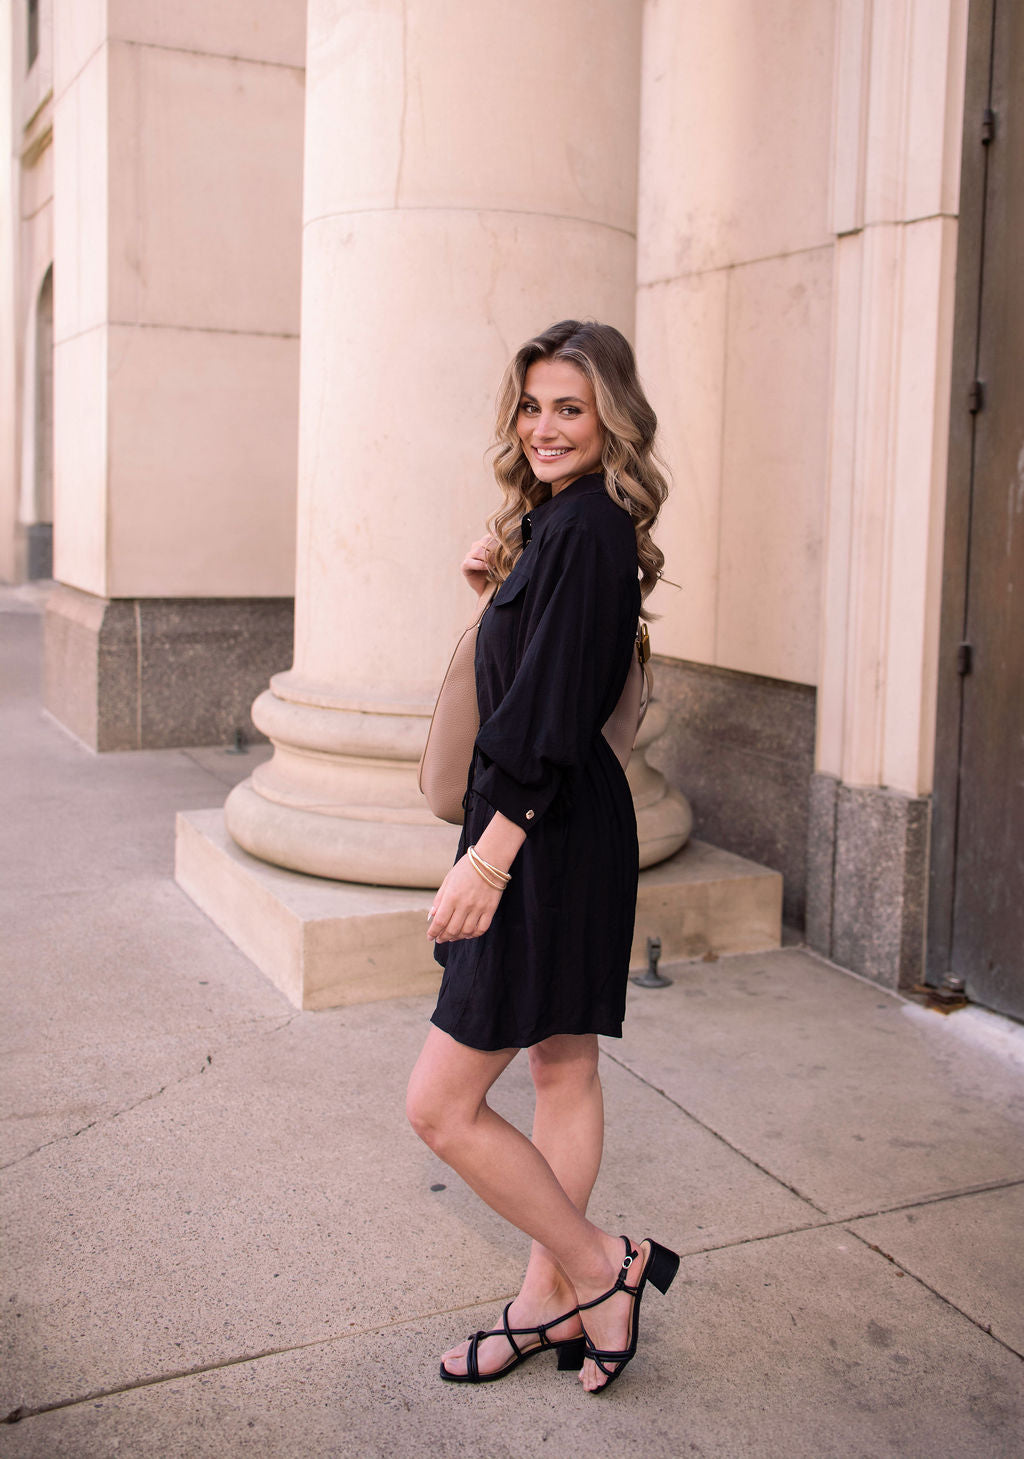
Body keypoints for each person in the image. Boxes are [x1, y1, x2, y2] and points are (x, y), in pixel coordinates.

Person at [406, 320, 678, 1393]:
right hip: (563, 825)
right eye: (531, 406)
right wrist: (493, 597)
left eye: (570, 406)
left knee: (439, 1105)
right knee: (560, 1066)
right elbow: (547, 675)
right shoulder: (563, 526)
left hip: (543, 836)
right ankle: (546, 1305)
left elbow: (551, 714)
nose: (545, 426)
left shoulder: (586, 532)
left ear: (610, 416)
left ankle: (601, 1268)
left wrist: (487, 860)